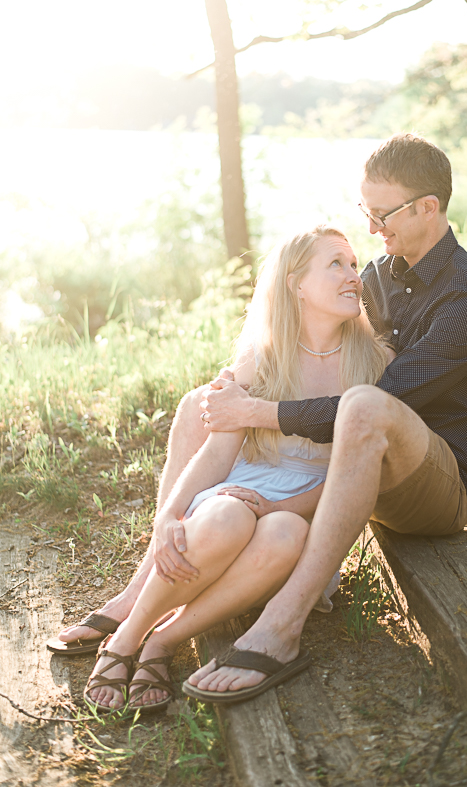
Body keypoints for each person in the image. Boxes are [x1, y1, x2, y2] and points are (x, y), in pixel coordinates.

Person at [51, 132, 467, 706]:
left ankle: (282, 627)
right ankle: (140, 591)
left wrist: (261, 413)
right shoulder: (380, 276)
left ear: (428, 208)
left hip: (435, 481)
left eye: (382, 214)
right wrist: (237, 389)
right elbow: (306, 326)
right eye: (366, 211)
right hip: (360, 464)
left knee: (363, 405)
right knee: (202, 402)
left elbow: (383, 398)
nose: (371, 229)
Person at [73, 225, 392, 711]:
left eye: (354, 264)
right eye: (336, 264)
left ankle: (162, 640)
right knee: (226, 515)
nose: (354, 276)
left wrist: (279, 504)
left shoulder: (375, 363)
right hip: (244, 491)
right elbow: (217, 456)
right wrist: (169, 514)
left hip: (308, 513)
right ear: (296, 284)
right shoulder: (262, 359)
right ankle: (125, 639)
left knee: (285, 533)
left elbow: (348, 479)